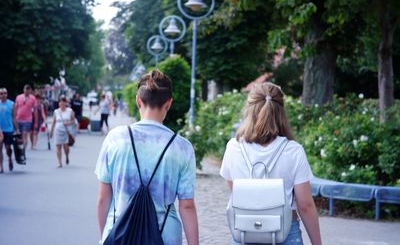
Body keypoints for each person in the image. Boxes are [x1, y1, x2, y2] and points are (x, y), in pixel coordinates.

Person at [95, 70, 199, 245]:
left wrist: (104, 237)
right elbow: (186, 205)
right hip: (165, 236)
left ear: (138, 101)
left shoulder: (116, 138)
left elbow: (103, 199)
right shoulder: (182, 147)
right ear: (169, 104)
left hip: (119, 232)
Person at [220, 82, 322, 245]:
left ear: (249, 109)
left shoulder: (233, 147)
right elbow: (305, 205)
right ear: (281, 111)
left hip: (246, 232)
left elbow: (235, 189)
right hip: (286, 232)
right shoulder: (293, 150)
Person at [49, 96, 75, 168]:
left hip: (66, 131)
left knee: (66, 147)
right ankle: (59, 162)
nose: (61, 103)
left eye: (63, 102)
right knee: (58, 146)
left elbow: (73, 120)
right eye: (60, 102)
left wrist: (68, 123)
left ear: (65, 103)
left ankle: (67, 156)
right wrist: (51, 131)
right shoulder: (56, 111)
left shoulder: (70, 111)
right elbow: (54, 121)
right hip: (57, 130)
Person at [14, 84, 38, 152]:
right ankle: (20, 148)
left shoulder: (33, 98)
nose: (27, 91)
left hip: (28, 119)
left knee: (25, 134)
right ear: (23, 89)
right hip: (18, 119)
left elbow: (35, 110)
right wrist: (14, 117)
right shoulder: (19, 97)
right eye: (26, 89)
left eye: (28, 89)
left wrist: (36, 122)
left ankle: (23, 150)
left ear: (30, 90)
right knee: (19, 136)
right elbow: (15, 108)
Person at [0, 88, 18, 173]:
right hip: (0, 130)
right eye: (1, 93)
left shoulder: (11, 104)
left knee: (8, 148)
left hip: (8, 129)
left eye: (5, 93)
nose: (3, 95)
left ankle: (10, 158)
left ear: (7, 94)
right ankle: (1, 167)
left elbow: (14, 117)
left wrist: (17, 129)